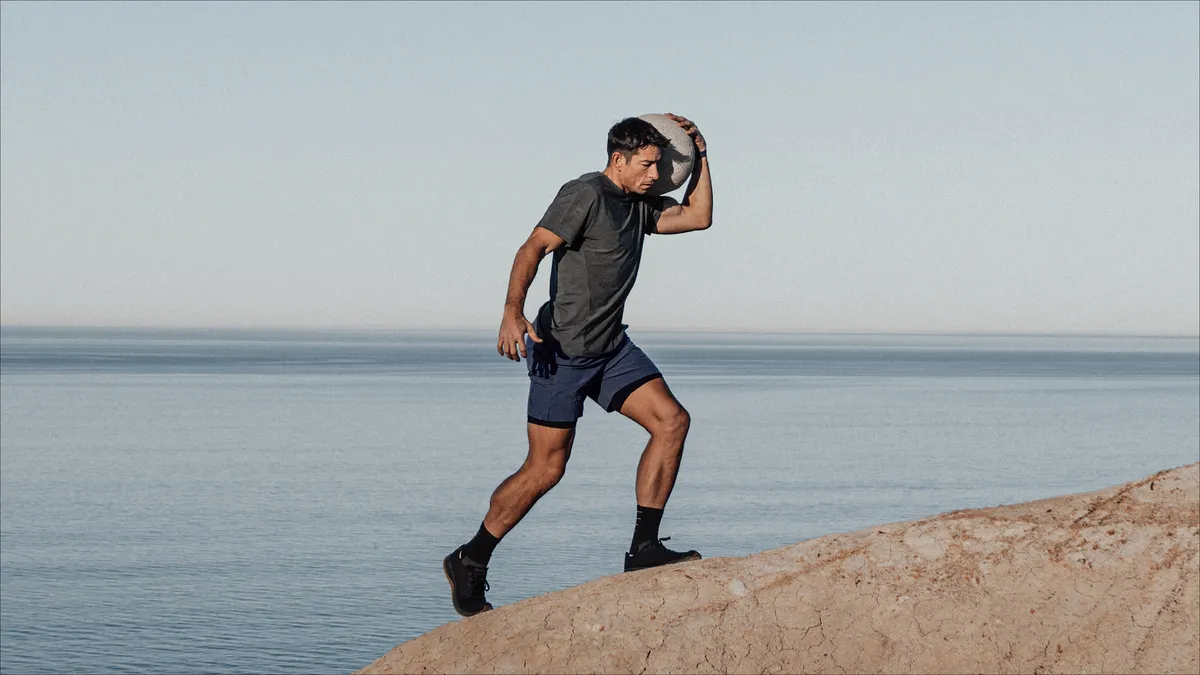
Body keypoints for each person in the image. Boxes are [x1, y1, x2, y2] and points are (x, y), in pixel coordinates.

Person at [443, 114, 714, 617]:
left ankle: (644, 548)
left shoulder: (640, 206)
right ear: (619, 158)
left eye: (660, 166)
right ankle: (470, 557)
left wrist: (702, 155)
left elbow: (699, 216)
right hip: (561, 351)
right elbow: (533, 247)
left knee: (672, 422)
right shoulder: (584, 194)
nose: (655, 175)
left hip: (610, 349)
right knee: (546, 467)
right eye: (648, 165)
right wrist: (511, 310)